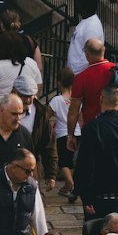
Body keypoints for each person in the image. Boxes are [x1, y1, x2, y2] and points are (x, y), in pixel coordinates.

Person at [74, 82, 118, 223]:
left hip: (100, 191)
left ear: (101, 99)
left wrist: (84, 194)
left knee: (97, 233)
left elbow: (85, 163)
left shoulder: (93, 127)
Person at [65, 37, 115, 146]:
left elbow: (74, 111)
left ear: (87, 54)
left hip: (92, 129)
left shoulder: (82, 78)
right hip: (117, 128)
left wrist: (70, 135)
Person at [48, 69, 76, 197]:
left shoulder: (57, 100)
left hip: (62, 134)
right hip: (77, 133)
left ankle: (71, 184)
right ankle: (67, 185)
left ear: (59, 83)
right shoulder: (77, 99)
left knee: (63, 162)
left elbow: (46, 116)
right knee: (70, 160)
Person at [67, 0, 105, 75]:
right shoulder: (86, 21)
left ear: (84, 6)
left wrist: (74, 72)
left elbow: (90, 55)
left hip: (80, 75)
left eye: (80, 2)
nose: (77, 4)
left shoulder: (92, 27)